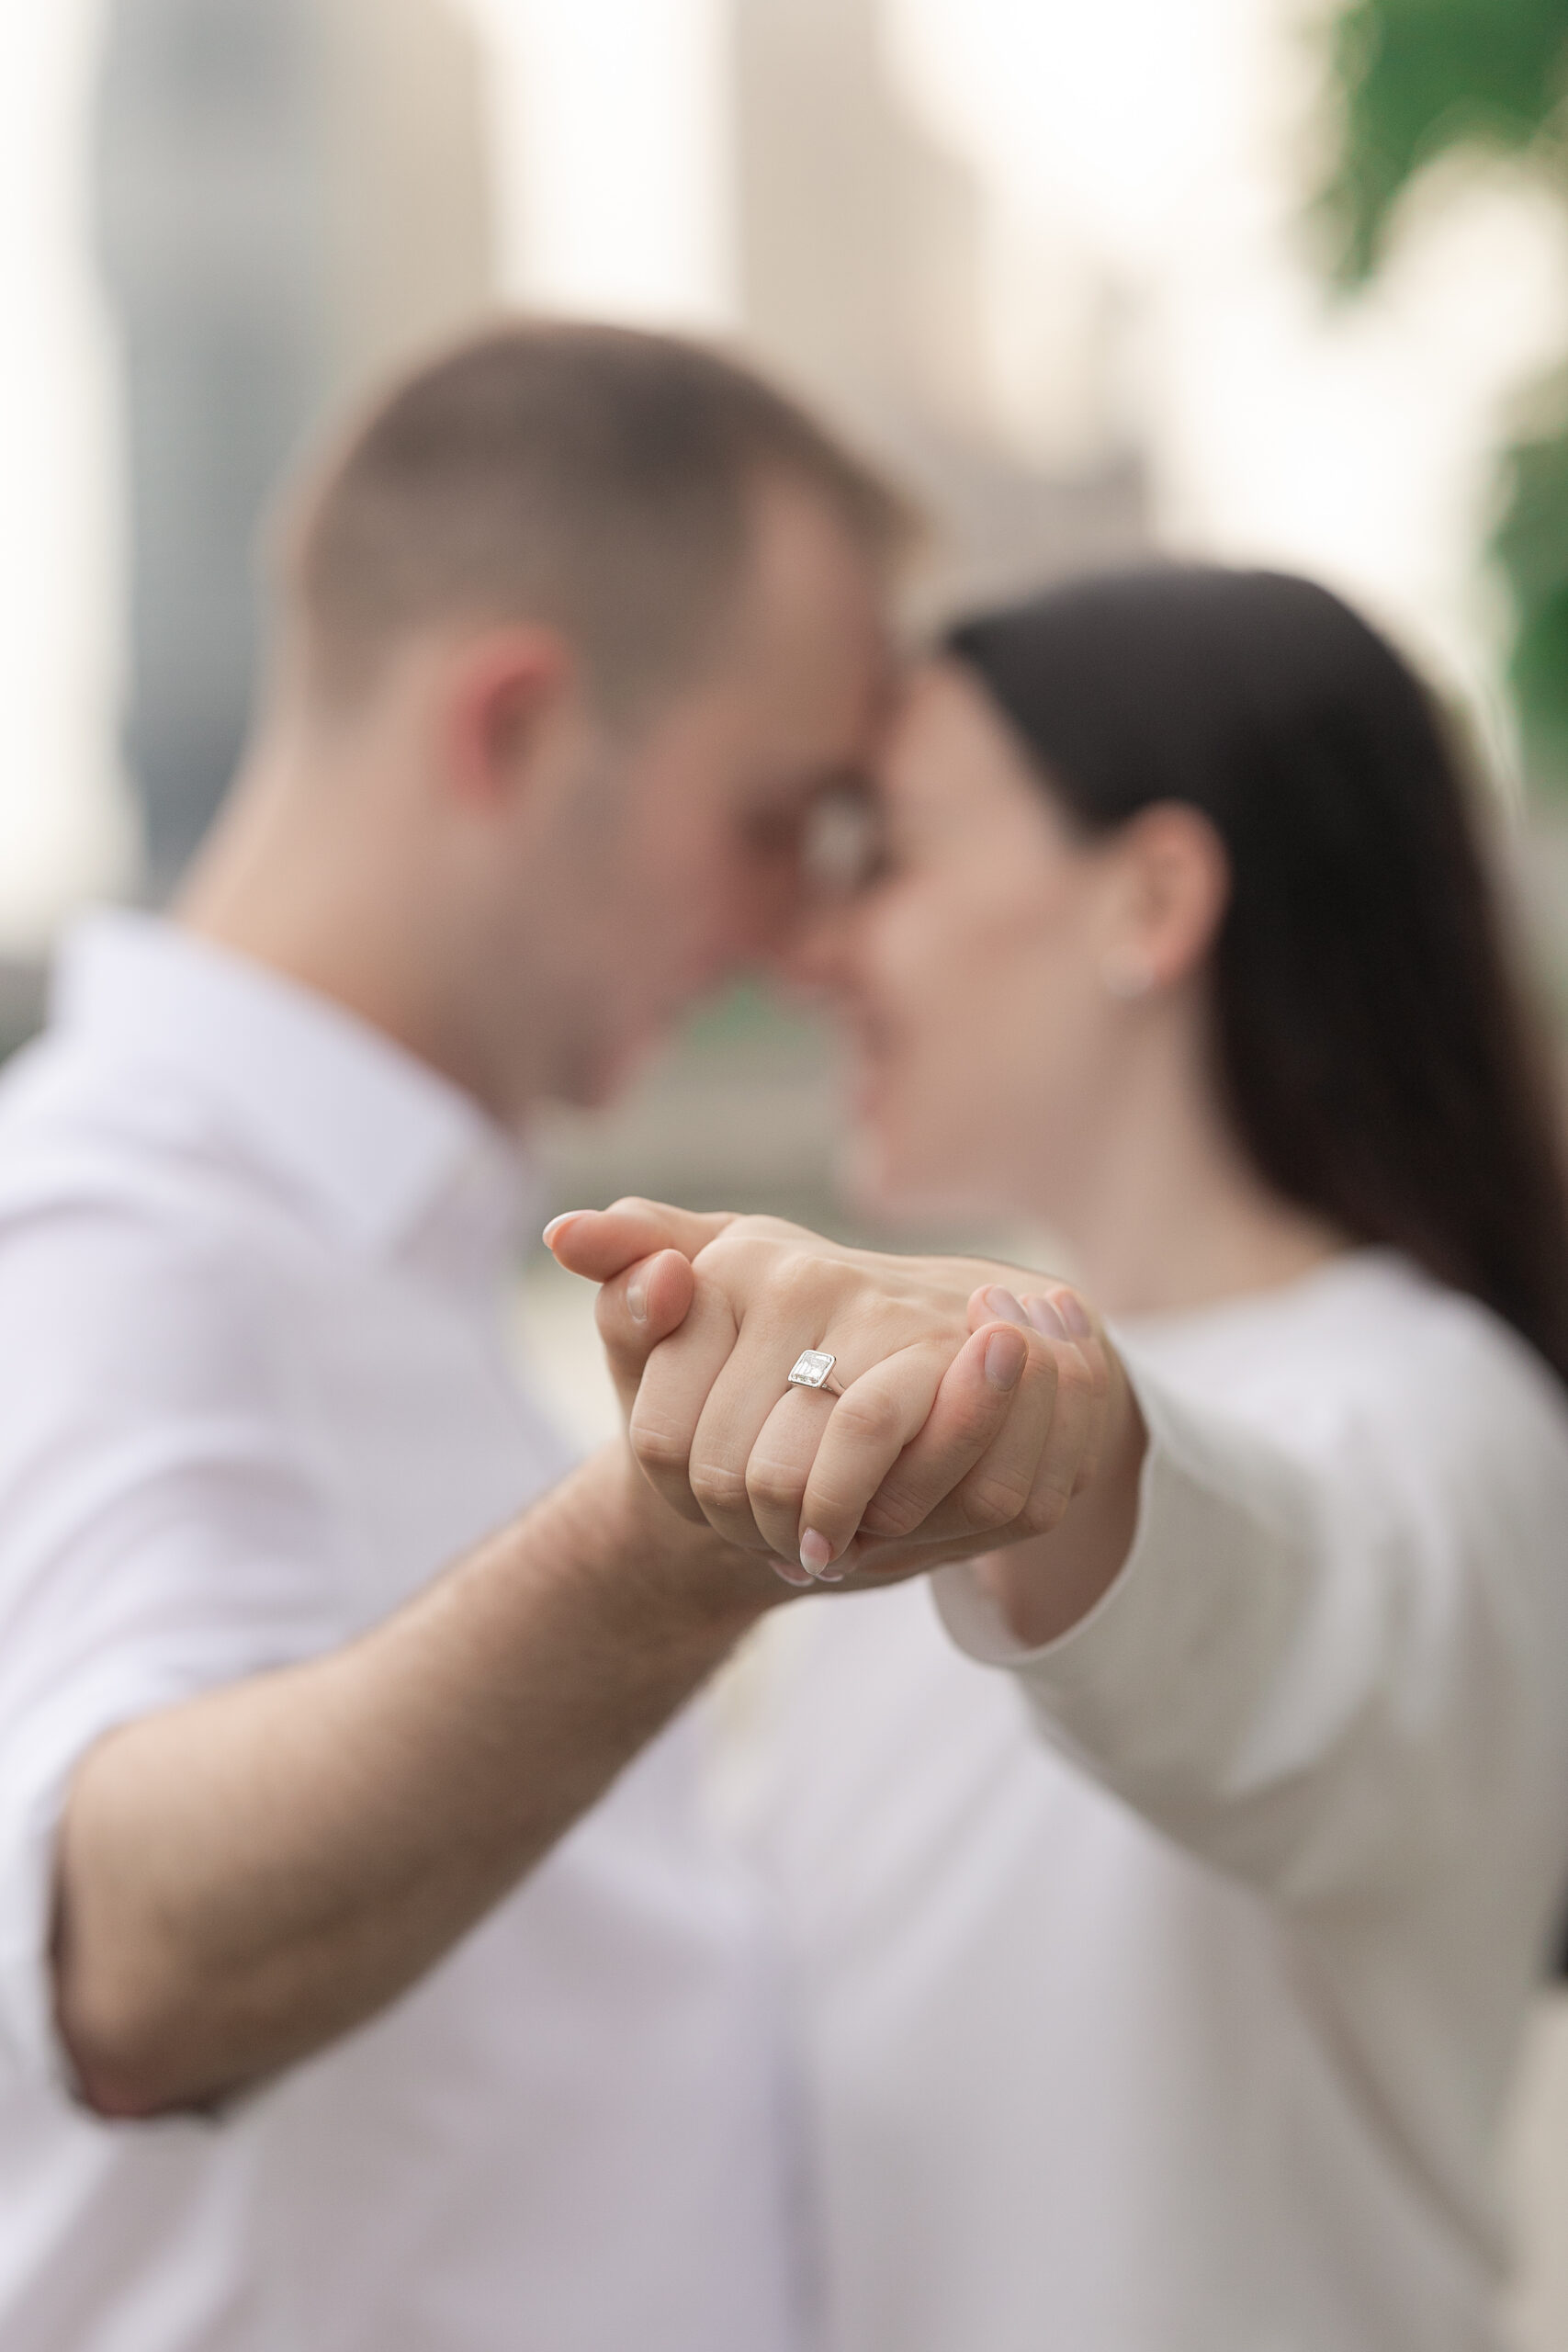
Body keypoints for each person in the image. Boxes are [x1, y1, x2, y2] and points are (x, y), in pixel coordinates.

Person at [0, 322, 1109, 2352]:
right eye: (777, 813)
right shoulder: (105, 1225)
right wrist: (667, 1550)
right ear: (510, 724)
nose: (799, 929)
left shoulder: (363, 1242)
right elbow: (125, 1955)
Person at [552, 567, 1568, 2350]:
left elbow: (1268, 1620)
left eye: (892, 853)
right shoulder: (921, 1437)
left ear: (1153, 895)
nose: (814, 944)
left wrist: (1071, 1448)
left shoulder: (1446, 1427)